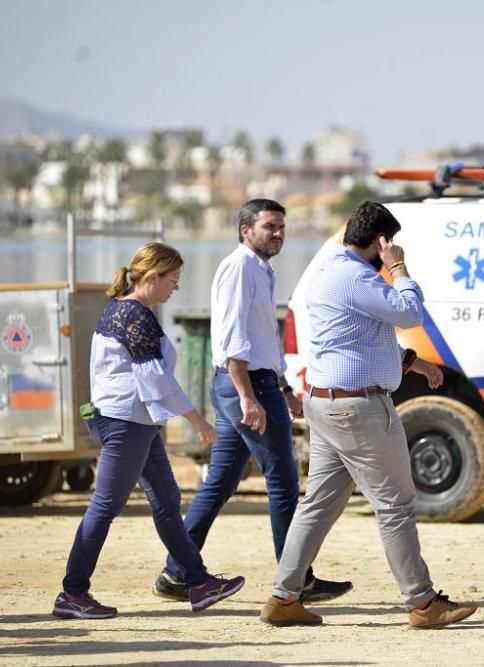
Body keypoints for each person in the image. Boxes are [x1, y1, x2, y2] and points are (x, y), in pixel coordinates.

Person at [260, 200, 478, 629]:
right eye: (389, 244)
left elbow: (360, 338)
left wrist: (412, 361)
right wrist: (399, 268)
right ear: (381, 242)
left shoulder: (326, 270)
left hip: (326, 402)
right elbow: (409, 312)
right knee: (395, 504)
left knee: (317, 505)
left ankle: (284, 598)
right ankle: (421, 602)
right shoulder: (357, 275)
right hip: (358, 407)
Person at [153, 199, 350, 604]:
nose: (277, 233)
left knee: (221, 483)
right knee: (283, 484)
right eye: (269, 226)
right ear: (246, 230)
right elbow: (232, 340)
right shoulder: (240, 268)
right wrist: (250, 396)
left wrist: (283, 389)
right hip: (245, 385)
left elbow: (261, 339)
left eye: (281, 227)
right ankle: (297, 580)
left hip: (254, 383)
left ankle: (176, 572)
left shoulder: (260, 269)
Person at [53, 243, 244, 619]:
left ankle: (198, 582)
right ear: (153, 277)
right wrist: (197, 420)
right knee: (105, 506)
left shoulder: (129, 309)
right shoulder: (134, 315)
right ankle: (72, 593)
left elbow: (150, 379)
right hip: (126, 422)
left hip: (136, 421)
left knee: (167, 503)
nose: (176, 287)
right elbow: (155, 378)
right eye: (173, 280)